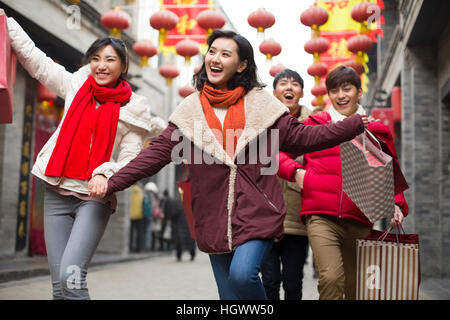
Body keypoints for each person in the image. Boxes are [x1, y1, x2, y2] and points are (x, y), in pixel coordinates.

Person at [91, 30, 368, 300]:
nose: (215, 59)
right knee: (229, 297)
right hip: (212, 216)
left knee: (243, 275)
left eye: (225, 54)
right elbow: (154, 156)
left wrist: (351, 125)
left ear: (242, 64)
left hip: (258, 210)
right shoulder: (191, 110)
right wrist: (111, 181)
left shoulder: (263, 105)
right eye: (211, 52)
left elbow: (303, 136)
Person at [2, 13, 164, 299]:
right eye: (96, 58)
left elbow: (130, 160)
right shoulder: (76, 86)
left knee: (71, 276)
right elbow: (35, 61)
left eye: (110, 59)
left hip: (94, 198)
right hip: (55, 191)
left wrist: (105, 171)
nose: (101, 66)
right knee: (58, 286)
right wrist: (7, 21)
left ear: (123, 66)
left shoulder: (134, 110)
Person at [277, 66, 409, 300]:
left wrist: (397, 203)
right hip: (320, 215)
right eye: (334, 90)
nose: (340, 96)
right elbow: (274, 152)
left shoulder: (376, 131)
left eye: (346, 89)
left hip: (360, 217)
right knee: (330, 278)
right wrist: (296, 172)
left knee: (353, 287)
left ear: (359, 92)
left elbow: (390, 173)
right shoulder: (314, 124)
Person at [260, 69, 310, 300]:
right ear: (274, 92)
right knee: (268, 282)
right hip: (264, 219)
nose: (289, 88)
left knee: (292, 283)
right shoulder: (259, 122)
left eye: (294, 84)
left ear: (301, 92)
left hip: (298, 219)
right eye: (283, 83)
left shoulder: (313, 124)